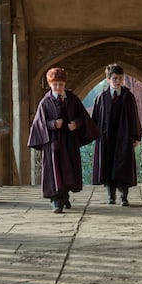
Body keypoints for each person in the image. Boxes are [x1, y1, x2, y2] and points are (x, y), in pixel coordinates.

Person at [28, 67, 100, 213]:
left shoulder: (73, 99)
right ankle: (56, 201)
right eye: (55, 84)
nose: (58, 87)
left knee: (68, 170)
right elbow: (39, 123)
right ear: (50, 84)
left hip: (69, 141)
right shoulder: (45, 102)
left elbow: (82, 117)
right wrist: (53, 124)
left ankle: (65, 195)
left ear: (65, 84)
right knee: (55, 171)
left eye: (61, 84)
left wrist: (76, 124)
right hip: (53, 143)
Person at [91, 63, 142, 206]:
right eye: (114, 78)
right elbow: (95, 119)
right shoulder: (101, 98)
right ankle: (111, 196)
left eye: (120, 78)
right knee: (108, 166)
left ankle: (124, 196)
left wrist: (136, 136)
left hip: (124, 137)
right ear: (108, 79)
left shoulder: (128, 97)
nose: (118, 81)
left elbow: (134, 117)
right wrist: (94, 135)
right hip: (106, 138)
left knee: (123, 166)